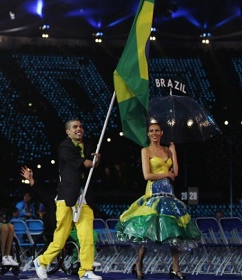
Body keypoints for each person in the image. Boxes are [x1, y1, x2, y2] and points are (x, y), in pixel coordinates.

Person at [116, 123, 200, 280]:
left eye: (157, 131)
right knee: (148, 231)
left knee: (175, 230)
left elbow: (175, 173)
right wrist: (166, 174)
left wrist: (174, 153)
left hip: (169, 193)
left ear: (162, 133)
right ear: (148, 134)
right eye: (151, 131)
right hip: (154, 192)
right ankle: (139, 264)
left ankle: (175, 267)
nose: (154, 133)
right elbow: (147, 175)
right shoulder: (145, 150)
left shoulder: (168, 149)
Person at [27, 119, 101, 280]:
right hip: (66, 198)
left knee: (87, 236)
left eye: (81, 126)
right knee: (60, 238)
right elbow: (76, 162)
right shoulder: (64, 147)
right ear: (68, 132)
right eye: (75, 127)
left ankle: (86, 271)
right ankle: (42, 261)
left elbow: (91, 165)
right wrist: (88, 162)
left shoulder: (88, 147)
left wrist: (97, 160)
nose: (79, 129)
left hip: (84, 197)